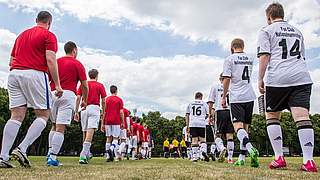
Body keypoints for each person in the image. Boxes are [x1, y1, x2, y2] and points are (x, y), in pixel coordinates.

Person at [257, 3, 317, 172]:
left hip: (278, 78)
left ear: (269, 17)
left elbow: (264, 56)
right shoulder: (297, 31)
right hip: (301, 77)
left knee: (272, 115)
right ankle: (309, 161)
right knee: (302, 117)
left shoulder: (266, 31)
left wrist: (260, 79)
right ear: (282, 15)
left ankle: (279, 157)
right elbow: (302, 56)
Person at [0, 11, 63, 168]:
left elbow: (11, 60)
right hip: (34, 73)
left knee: (16, 116)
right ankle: (22, 148)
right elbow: (50, 59)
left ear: (36, 20)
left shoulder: (21, 35)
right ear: (50, 22)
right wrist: (57, 83)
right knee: (43, 114)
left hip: (14, 73)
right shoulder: (49, 35)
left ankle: (3, 156)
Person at [47, 41, 88, 166]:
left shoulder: (56, 61)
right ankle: (53, 157)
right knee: (60, 127)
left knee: (53, 125)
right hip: (68, 94)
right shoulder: (77, 63)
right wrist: (84, 100)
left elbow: (47, 78)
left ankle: (49, 153)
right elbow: (85, 85)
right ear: (74, 50)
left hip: (53, 93)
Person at [221, 38, 259, 167]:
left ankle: (250, 148)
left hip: (237, 96)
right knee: (246, 129)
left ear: (232, 47)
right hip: (250, 95)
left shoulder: (230, 59)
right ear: (243, 46)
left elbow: (226, 79)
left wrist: (223, 96)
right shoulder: (250, 58)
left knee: (238, 128)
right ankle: (242, 158)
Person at [76, 69, 106, 164]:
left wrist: (76, 111)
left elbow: (78, 97)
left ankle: (87, 153)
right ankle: (83, 155)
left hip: (84, 109)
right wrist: (103, 112)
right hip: (94, 108)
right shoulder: (100, 85)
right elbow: (104, 100)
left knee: (84, 132)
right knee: (90, 132)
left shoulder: (83, 84)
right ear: (97, 76)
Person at [208, 73, 235, 163]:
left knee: (217, 135)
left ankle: (222, 148)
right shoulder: (232, 87)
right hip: (231, 111)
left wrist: (209, 114)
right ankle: (230, 158)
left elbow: (211, 101)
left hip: (220, 111)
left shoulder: (215, 86)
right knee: (230, 135)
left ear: (220, 78)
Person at [101, 85, 124, 162]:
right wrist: (122, 122)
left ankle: (108, 156)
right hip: (116, 121)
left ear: (110, 91)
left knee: (108, 138)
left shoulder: (106, 100)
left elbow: (103, 112)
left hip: (107, 121)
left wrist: (102, 124)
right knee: (115, 138)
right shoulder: (119, 100)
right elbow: (121, 112)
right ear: (116, 91)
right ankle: (111, 149)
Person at [185, 92, 210, 162]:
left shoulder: (190, 103)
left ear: (195, 96)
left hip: (193, 123)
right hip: (201, 123)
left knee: (194, 140)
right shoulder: (204, 103)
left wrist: (187, 125)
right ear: (201, 97)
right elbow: (208, 114)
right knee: (203, 140)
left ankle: (195, 157)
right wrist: (203, 119)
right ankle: (203, 153)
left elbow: (187, 115)